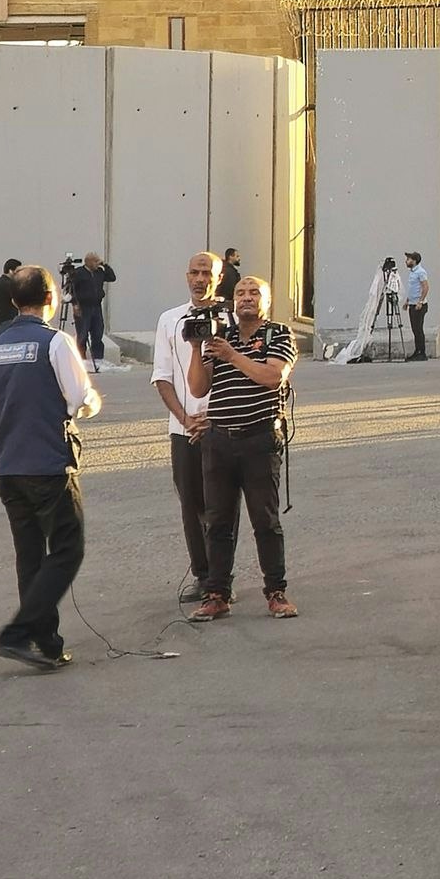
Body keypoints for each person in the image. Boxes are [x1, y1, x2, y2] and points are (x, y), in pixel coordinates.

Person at [0, 266, 99, 670]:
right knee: (67, 549)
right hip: (49, 463)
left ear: (12, 301)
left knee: (30, 556)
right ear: (51, 298)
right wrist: (90, 404)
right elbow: (79, 397)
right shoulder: (55, 342)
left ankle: (46, 642)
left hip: (8, 465)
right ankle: (18, 632)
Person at [190, 275, 297, 621]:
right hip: (219, 439)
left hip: (259, 438)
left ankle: (276, 591)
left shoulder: (277, 334)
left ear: (267, 300)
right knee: (218, 521)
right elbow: (197, 388)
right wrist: (197, 347)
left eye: (254, 293)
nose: (246, 298)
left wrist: (232, 355)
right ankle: (216, 592)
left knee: (265, 520)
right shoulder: (221, 335)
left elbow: (272, 377)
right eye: (240, 293)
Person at [153, 251, 222, 604]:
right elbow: (162, 378)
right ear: (186, 277)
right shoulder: (169, 320)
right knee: (190, 501)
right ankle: (202, 574)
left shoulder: (229, 318)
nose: (200, 279)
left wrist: (213, 418)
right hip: (183, 429)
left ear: (218, 278)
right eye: (194, 272)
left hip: (223, 427)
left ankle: (221, 579)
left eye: (206, 272)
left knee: (221, 504)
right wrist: (184, 418)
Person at [61, 252, 118, 368]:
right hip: (83, 307)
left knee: (97, 333)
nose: (98, 263)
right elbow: (70, 290)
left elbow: (112, 277)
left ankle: (98, 359)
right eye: (96, 261)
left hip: (96, 306)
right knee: (82, 334)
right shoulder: (79, 273)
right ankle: (81, 359)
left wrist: (105, 265)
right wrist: (75, 304)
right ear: (89, 262)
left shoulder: (99, 272)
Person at [401, 251, 431, 360]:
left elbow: (425, 287)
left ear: (414, 261)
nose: (406, 261)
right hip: (412, 304)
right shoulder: (412, 272)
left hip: (419, 305)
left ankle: (421, 352)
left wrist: (420, 301)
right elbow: (413, 289)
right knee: (415, 329)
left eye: (408, 259)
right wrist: (407, 301)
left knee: (418, 329)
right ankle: (417, 351)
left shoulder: (420, 272)